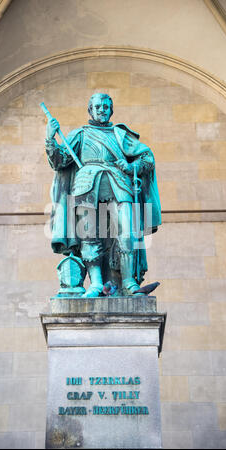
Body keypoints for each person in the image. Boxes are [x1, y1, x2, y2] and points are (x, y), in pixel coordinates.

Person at [45, 93, 161, 297]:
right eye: (97, 106)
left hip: (119, 183)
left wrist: (131, 165)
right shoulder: (80, 134)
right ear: (90, 110)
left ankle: (128, 282)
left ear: (111, 110)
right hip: (86, 184)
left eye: (106, 106)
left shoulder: (121, 135)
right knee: (89, 234)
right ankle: (96, 283)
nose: (102, 110)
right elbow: (59, 161)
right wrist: (50, 138)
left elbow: (147, 158)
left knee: (127, 232)